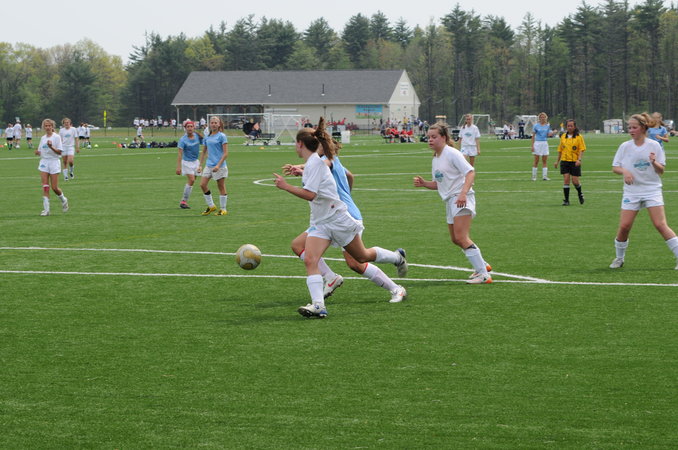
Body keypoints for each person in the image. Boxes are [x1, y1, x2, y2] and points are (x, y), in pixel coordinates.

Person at [273, 117, 408, 318]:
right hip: (322, 222)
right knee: (310, 258)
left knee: (360, 259)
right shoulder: (314, 163)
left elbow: (311, 193)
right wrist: (300, 170)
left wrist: (286, 186)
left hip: (338, 219)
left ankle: (396, 276)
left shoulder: (320, 162)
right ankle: (318, 304)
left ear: (300, 144)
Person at [413, 123, 492, 284]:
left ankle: (483, 275)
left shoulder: (452, 153)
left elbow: (470, 172)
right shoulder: (436, 158)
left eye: (434, 137)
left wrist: (463, 193)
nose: (430, 140)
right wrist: (424, 183)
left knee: (461, 237)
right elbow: (439, 184)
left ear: (443, 137)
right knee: (456, 239)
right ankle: (482, 265)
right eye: (428, 137)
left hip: (461, 198)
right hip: (451, 200)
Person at [609, 113, 678, 269]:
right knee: (624, 226)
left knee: (660, 224)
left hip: (651, 190)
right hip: (631, 192)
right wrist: (625, 172)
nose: (631, 130)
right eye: (629, 127)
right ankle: (619, 258)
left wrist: (653, 162)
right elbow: (615, 167)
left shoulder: (654, 145)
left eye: (634, 127)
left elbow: (661, 171)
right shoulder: (625, 146)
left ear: (643, 128)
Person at [35, 119, 69, 216]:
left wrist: (51, 147)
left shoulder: (56, 137)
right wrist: (38, 152)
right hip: (44, 162)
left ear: (52, 126)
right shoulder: (43, 138)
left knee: (54, 188)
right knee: (45, 186)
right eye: (46, 126)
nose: (47, 127)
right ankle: (46, 210)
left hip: (54, 162)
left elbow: (59, 152)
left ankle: (64, 200)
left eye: (49, 125)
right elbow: (41, 151)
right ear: (44, 127)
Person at [198, 116, 229, 216]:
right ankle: (211, 206)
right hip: (209, 165)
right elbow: (203, 151)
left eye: (216, 123)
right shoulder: (207, 137)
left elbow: (225, 153)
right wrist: (200, 165)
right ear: (209, 124)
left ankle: (223, 209)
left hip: (220, 166)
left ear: (219, 124)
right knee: (202, 184)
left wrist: (218, 165)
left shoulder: (222, 136)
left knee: (221, 186)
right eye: (212, 122)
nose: (214, 124)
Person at [554, 119, 586, 206]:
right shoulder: (563, 137)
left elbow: (581, 149)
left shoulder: (579, 137)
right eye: (568, 126)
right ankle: (566, 200)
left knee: (575, 181)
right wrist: (557, 161)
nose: (570, 127)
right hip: (564, 161)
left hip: (574, 162)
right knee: (566, 179)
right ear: (566, 127)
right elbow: (560, 150)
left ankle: (580, 193)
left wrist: (579, 159)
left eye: (571, 126)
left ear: (574, 127)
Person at [176, 120, 203, 209]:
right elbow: (180, 153)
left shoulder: (197, 136)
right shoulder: (183, 140)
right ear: (185, 128)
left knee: (192, 182)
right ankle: (183, 201)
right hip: (187, 162)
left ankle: (184, 201)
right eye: (188, 127)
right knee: (191, 180)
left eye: (191, 126)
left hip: (196, 162)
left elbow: (205, 143)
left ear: (194, 127)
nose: (190, 128)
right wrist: (178, 167)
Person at [531, 112, 554, 181]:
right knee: (536, 160)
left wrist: (553, 132)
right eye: (541, 117)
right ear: (539, 118)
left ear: (546, 118)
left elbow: (548, 135)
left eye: (544, 117)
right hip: (537, 143)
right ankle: (534, 176)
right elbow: (533, 136)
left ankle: (544, 176)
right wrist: (532, 145)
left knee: (544, 160)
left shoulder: (548, 126)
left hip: (544, 143)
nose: (542, 118)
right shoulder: (536, 126)